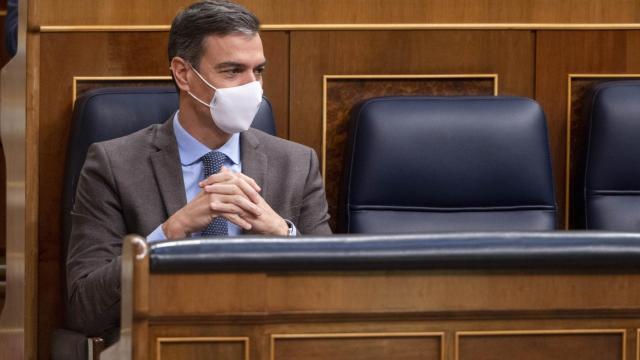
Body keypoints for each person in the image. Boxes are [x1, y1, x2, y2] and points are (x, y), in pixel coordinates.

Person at [66, 0, 331, 339]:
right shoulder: (114, 164)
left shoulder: (296, 163)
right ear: (183, 73)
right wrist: (167, 237)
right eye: (233, 71)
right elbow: (84, 308)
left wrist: (282, 235)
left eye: (258, 71)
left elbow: (331, 296)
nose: (253, 88)